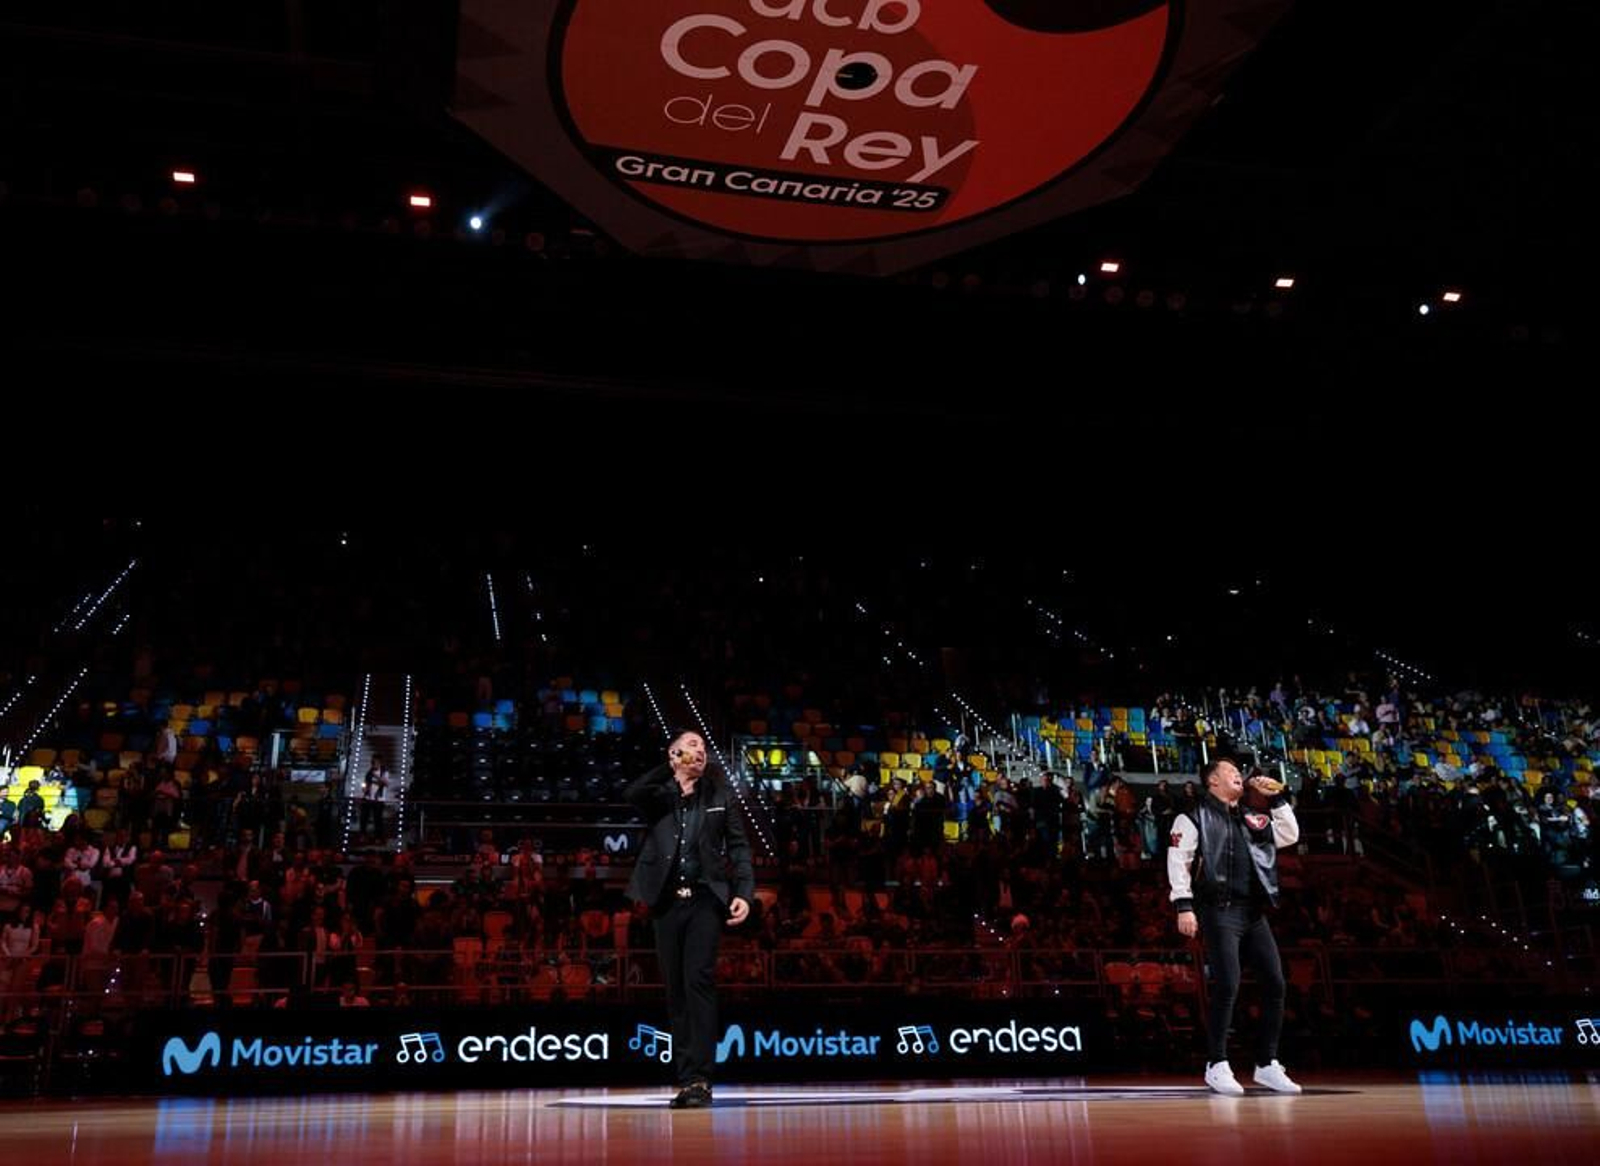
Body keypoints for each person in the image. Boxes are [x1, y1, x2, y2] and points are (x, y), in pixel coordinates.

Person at [624, 730, 754, 1109]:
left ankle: (701, 1077)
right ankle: (687, 1078)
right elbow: (631, 794)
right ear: (675, 752)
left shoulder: (719, 795)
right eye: (690, 745)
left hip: (704, 901)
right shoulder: (659, 796)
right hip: (665, 903)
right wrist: (668, 768)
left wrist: (743, 894)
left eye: (702, 746)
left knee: (698, 980)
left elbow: (740, 848)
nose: (699, 750)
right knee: (675, 989)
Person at [1167, 757, 1303, 1095]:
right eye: (1230, 772)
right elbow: (1178, 860)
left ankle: (1267, 1063)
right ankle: (1216, 1063)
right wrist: (1184, 906)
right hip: (1218, 909)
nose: (1239, 775)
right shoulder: (1194, 815)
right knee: (1228, 983)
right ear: (1212, 781)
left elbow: (1289, 834)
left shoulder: (1251, 816)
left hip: (1253, 911)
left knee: (1275, 982)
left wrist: (1276, 798)